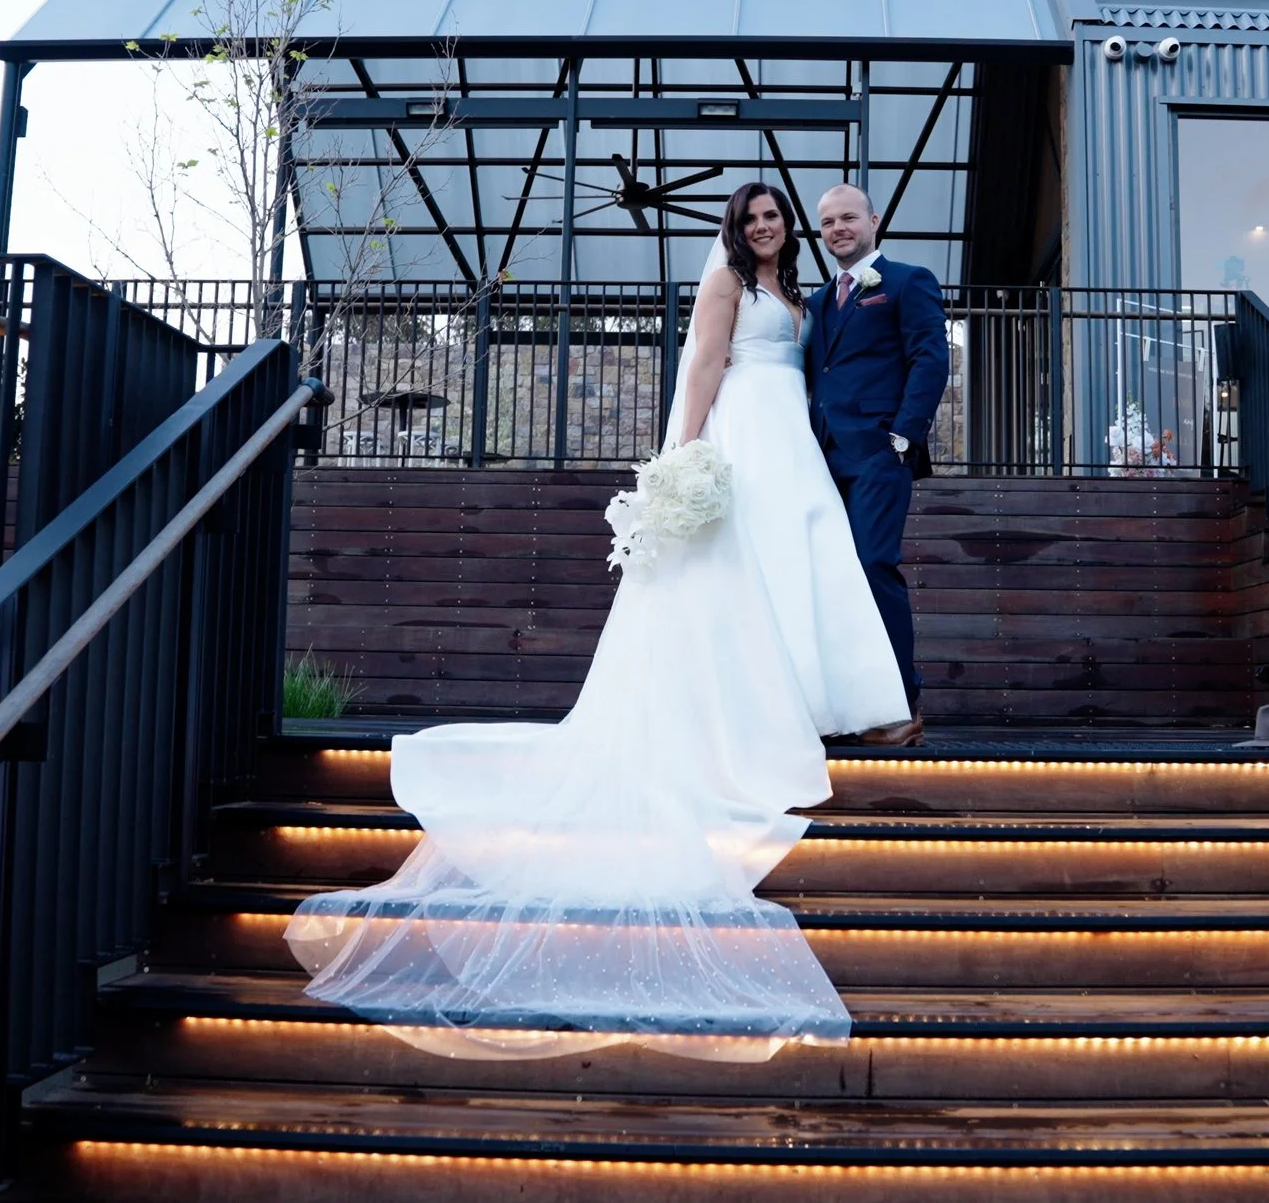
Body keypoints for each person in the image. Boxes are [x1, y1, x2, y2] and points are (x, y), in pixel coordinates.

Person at [283, 183, 906, 1063]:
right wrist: (684, 451)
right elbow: (700, 363)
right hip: (742, 432)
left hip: (793, 440)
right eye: (753, 218)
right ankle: (746, 712)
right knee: (748, 567)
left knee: (797, 566)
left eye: (774, 217)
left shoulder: (799, 292)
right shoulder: (728, 280)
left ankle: (809, 696)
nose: (765, 227)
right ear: (737, 228)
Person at [803, 184, 949, 746]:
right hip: (819, 458)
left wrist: (904, 437)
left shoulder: (908, 281)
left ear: (873, 220)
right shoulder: (818, 301)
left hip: (879, 456)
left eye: (848, 217)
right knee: (831, 581)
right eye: (827, 222)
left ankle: (900, 704)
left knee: (871, 566)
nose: (838, 228)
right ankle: (845, 706)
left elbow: (930, 358)